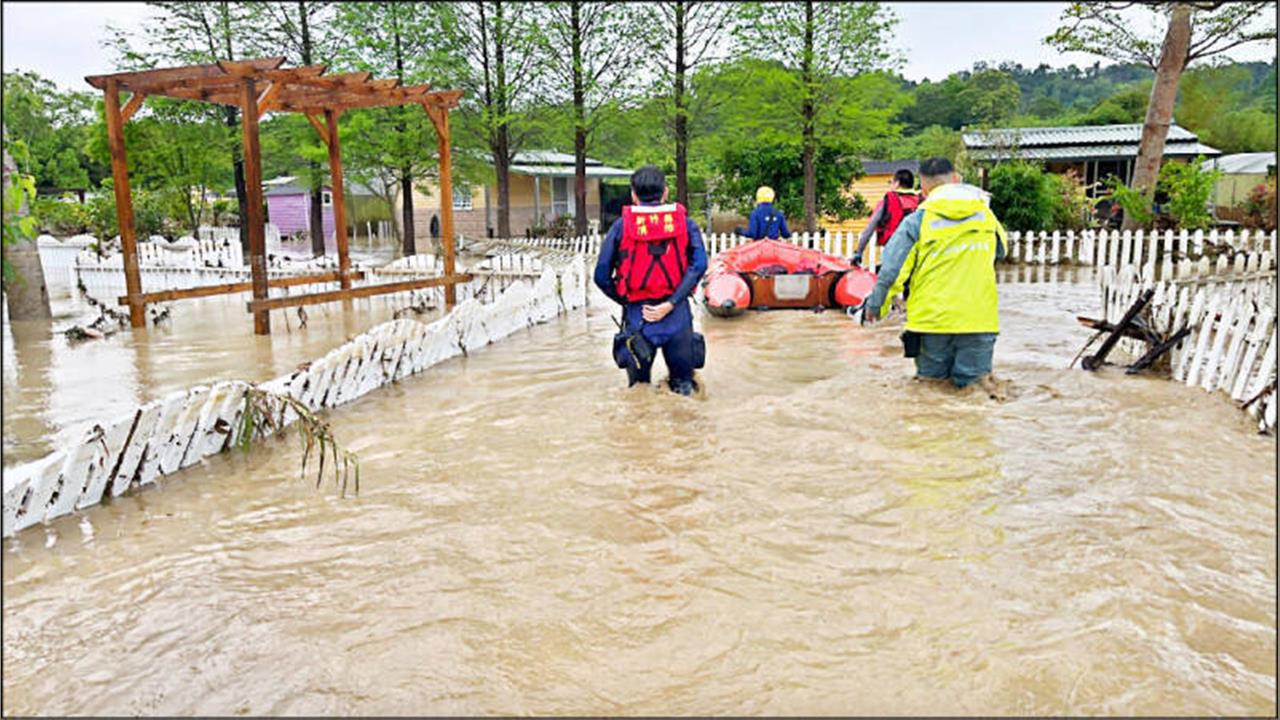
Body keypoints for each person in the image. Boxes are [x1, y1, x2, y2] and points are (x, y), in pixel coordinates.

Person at [861, 157, 1007, 389]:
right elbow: (999, 254)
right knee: (976, 392)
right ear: (957, 179)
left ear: (924, 188)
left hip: (931, 323)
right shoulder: (987, 217)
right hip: (979, 321)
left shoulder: (917, 222)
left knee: (930, 392)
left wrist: (876, 306)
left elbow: (891, 272)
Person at [594, 165, 709, 395]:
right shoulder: (686, 224)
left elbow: (601, 276)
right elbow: (699, 266)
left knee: (639, 392)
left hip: (639, 318)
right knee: (684, 388)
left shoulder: (620, 227)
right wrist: (671, 303)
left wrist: (626, 301)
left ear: (633, 195)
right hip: (677, 316)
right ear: (665, 192)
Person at [852, 168, 920, 269]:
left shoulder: (888, 202)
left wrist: (859, 252)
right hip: (917, 255)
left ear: (897, 183)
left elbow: (869, 229)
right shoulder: (920, 202)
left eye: (891, 182)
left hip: (894, 254)